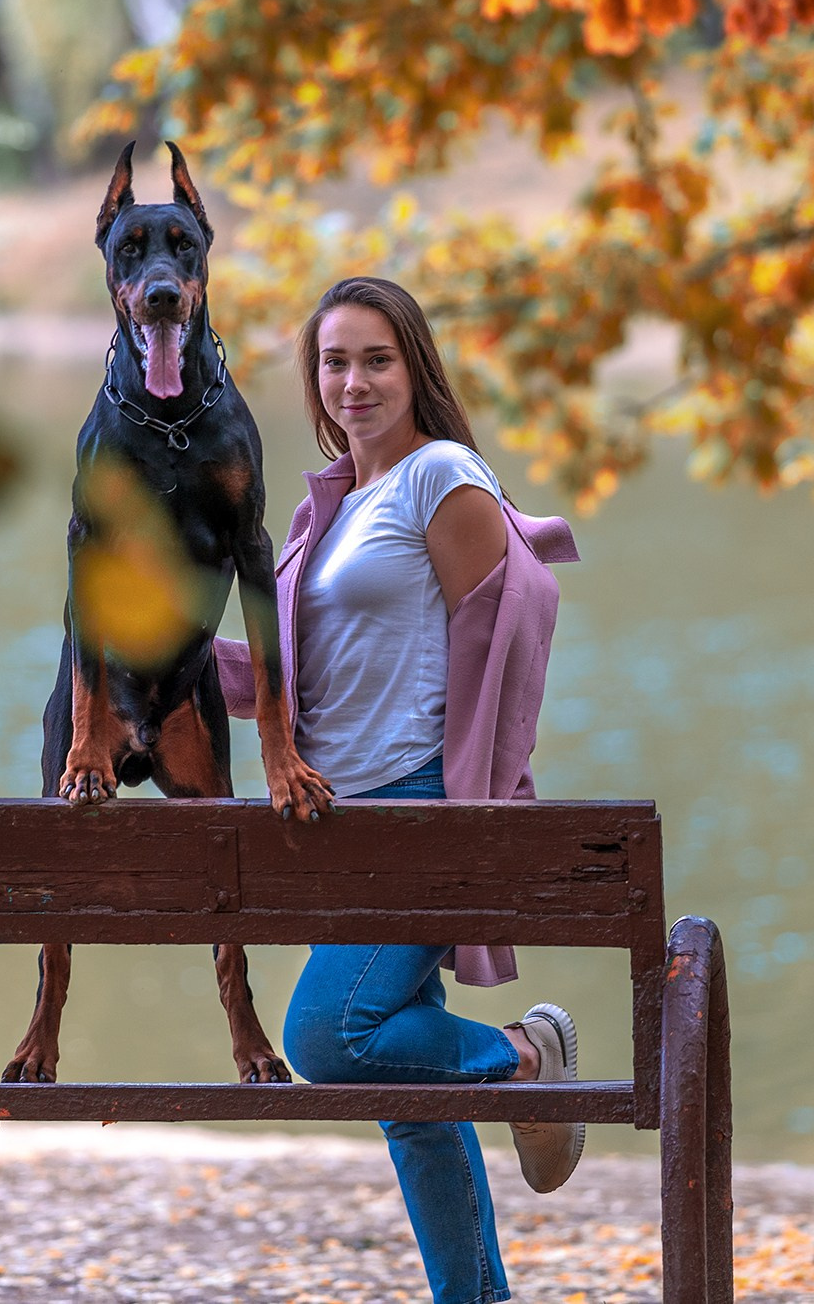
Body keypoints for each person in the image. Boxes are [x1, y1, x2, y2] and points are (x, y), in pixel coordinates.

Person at [213, 276, 583, 1304]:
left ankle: (519, 1058)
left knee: (329, 1036)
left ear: (414, 366)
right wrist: (162, 663)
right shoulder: (324, 508)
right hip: (338, 816)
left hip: (422, 801)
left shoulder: (440, 477)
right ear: (314, 379)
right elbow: (293, 672)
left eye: (376, 358)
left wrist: (484, 801)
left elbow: (510, 636)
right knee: (409, 1101)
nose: (354, 380)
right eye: (335, 361)